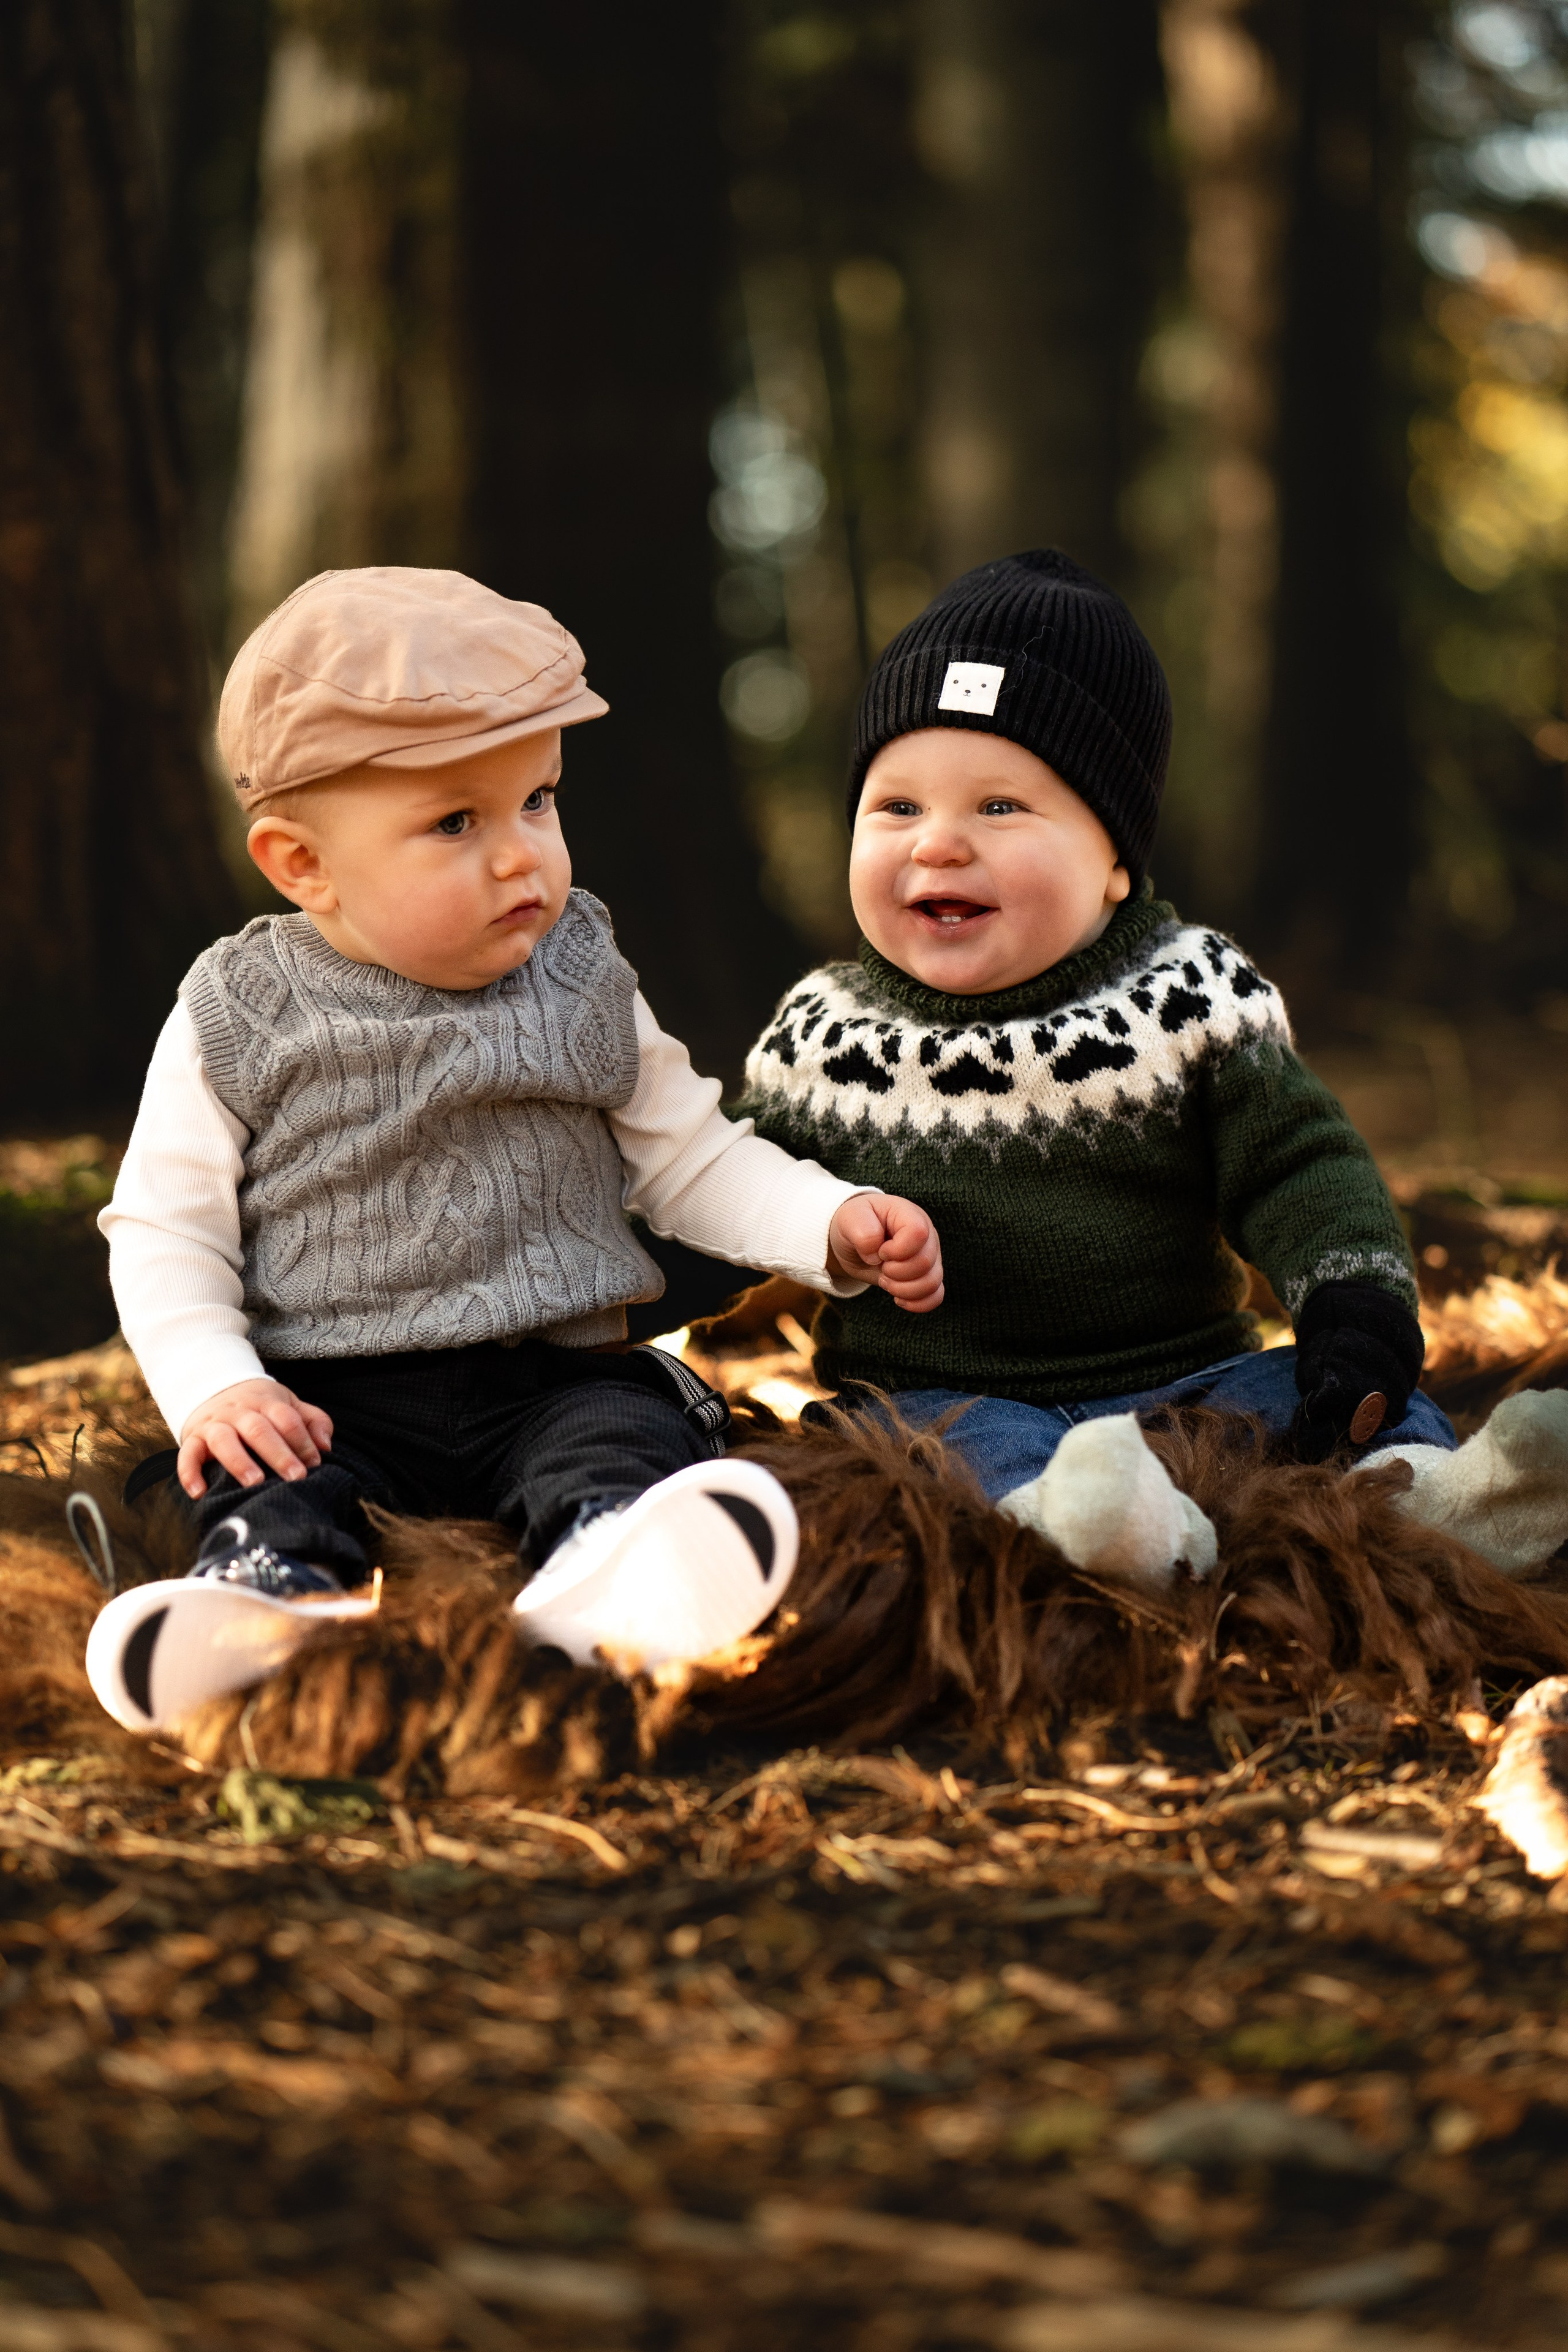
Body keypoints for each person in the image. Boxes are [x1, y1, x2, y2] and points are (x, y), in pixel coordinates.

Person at [86, 568, 942, 1734]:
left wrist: (829, 1225)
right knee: (239, 1472)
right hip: (327, 1396)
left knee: (624, 1429)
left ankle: (613, 1570)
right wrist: (217, 1386)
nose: (520, 857)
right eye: (455, 823)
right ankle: (261, 1596)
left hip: (549, 1373)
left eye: (537, 802)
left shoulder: (580, 972)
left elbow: (689, 1159)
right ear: (301, 864)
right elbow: (166, 1228)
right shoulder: (242, 1007)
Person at [736, 549, 1568, 1586]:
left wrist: (1354, 1305)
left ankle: (1440, 1499)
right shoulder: (826, 1035)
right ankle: (1092, 1527)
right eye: (896, 807)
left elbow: (1299, 1166)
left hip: (1188, 1382)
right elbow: (726, 1188)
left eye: (999, 808)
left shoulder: (1187, 996)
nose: (939, 844)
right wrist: (615, 1267)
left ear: (1116, 865)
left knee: (1330, 1397)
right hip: (948, 1396)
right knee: (921, 1456)